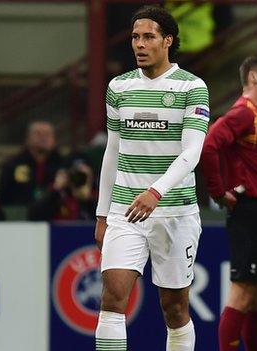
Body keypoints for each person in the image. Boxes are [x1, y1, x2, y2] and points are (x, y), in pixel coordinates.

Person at [94, 6, 209, 351]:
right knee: (113, 298)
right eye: (135, 37)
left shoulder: (192, 87)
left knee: (174, 308)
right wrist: (102, 213)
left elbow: (192, 153)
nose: (139, 44)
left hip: (174, 212)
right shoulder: (119, 87)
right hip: (125, 212)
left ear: (168, 41)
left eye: (148, 37)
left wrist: (155, 192)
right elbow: (112, 151)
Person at [199, 54, 257, 351]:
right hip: (249, 212)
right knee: (242, 292)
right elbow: (210, 145)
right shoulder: (243, 114)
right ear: (254, 78)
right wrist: (217, 191)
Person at [0, 120, 64, 207]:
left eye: (47, 134)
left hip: (55, 216)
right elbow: (1, 197)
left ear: (54, 140)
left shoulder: (63, 164)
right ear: (27, 139)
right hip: (21, 217)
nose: (43, 138)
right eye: (38, 134)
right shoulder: (12, 165)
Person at [28, 160, 96, 221]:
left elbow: (101, 223)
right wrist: (56, 190)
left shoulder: (97, 194)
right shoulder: (58, 195)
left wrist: (88, 201)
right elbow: (34, 215)